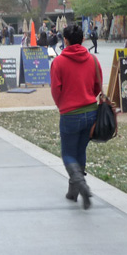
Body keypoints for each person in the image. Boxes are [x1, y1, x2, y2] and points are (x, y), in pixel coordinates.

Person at [50, 24, 101, 210]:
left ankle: (81, 185)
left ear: (65, 40)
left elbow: (56, 90)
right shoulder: (93, 60)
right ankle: (74, 192)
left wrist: (62, 105)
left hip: (70, 113)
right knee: (80, 151)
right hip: (91, 112)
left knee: (68, 154)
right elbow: (97, 86)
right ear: (83, 40)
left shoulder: (59, 62)